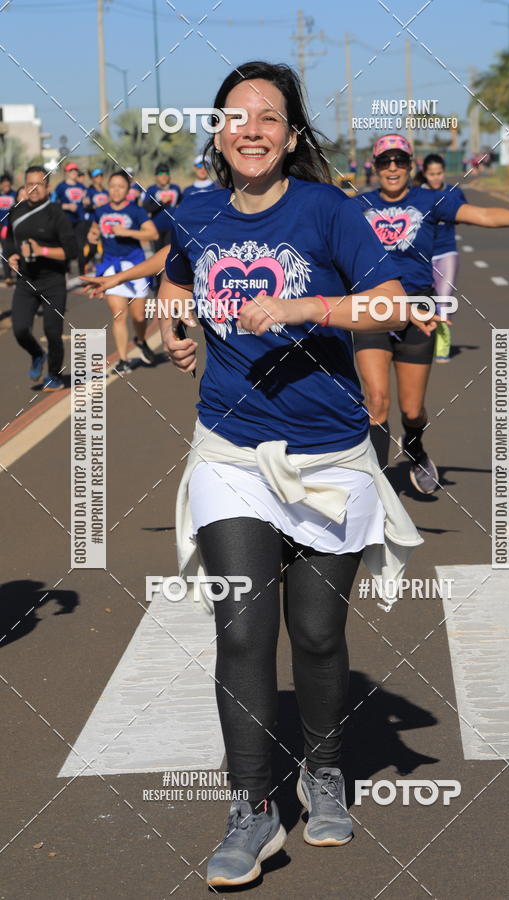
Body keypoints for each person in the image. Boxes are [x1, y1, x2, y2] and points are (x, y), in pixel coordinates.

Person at [158, 60, 436, 889]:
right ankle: (252, 807)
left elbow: (390, 304)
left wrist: (304, 308)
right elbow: (173, 282)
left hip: (329, 458)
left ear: (291, 134)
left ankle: (323, 771)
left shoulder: (328, 210)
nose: (252, 130)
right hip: (230, 456)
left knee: (317, 635)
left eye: (270, 118)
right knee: (243, 629)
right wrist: (172, 327)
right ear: (215, 130)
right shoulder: (195, 213)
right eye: (237, 117)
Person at [354, 134, 509, 492]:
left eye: (399, 161)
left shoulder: (431, 200)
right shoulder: (356, 205)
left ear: (411, 166)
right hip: (372, 309)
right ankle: (374, 490)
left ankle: (414, 443)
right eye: (385, 162)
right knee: (376, 402)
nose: (392, 168)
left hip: (420, 308)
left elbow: (485, 215)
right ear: (375, 167)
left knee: (412, 411)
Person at [4, 166, 77, 390]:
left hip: (53, 281)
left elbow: (71, 251)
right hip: (26, 281)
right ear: (24, 186)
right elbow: (8, 240)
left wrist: (41, 251)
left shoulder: (56, 214)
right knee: (20, 329)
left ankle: (54, 374)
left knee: (52, 331)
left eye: (39, 184)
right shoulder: (16, 211)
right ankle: (37, 354)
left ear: (47, 187)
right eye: (29, 184)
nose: (33, 189)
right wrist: (12, 255)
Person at [87, 170, 158, 373]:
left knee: (139, 318)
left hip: (135, 266)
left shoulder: (136, 211)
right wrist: (92, 236)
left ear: (127, 190)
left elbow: (152, 233)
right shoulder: (100, 211)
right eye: (113, 186)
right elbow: (94, 230)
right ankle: (123, 359)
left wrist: (127, 232)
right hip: (111, 267)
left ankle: (141, 340)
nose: (116, 190)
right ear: (108, 189)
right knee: (119, 315)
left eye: (121, 186)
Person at [416, 153, 466, 363]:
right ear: (424, 174)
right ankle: (422, 341)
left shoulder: (455, 193)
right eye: (431, 174)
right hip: (422, 256)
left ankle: (442, 347)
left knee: (444, 300)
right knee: (424, 301)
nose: (436, 178)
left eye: (439, 173)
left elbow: (465, 214)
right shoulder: (416, 195)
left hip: (447, 252)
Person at [52, 162, 89, 275]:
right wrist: (66, 206)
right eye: (71, 170)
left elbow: (86, 200)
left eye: (75, 170)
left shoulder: (82, 186)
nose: (74, 173)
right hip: (66, 220)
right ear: (66, 173)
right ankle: (65, 271)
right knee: (67, 246)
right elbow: (52, 203)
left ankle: (82, 274)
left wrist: (86, 202)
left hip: (79, 220)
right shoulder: (61, 186)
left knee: (80, 247)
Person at [143, 163, 181, 251]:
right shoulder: (151, 190)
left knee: (171, 254)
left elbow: (181, 203)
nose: (164, 176)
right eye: (160, 174)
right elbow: (146, 208)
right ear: (156, 176)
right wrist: (161, 202)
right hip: (157, 228)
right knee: (157, 255)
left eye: (166, 173)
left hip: (172, 228)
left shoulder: (176, 188)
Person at [0, 172, 18, 286]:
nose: (6, 186)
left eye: (8, 184)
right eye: (4, 184)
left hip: (8, 226)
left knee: (7, 250)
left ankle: (8, 276)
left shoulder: (15, 194)